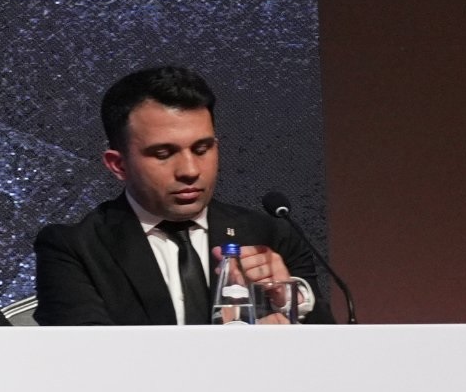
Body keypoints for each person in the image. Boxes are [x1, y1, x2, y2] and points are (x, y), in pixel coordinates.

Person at [32, 63, 320, 324]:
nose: (190, 170)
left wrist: (288, 300)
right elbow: (84, 355)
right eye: (163, 154)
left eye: (202, 149)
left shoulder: (271, 237)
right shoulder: (74, 249)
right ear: (118, 165)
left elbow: (331, 349)